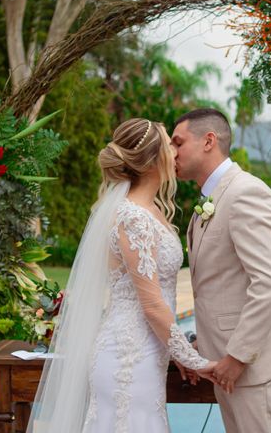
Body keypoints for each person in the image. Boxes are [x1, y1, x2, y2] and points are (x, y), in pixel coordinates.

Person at [28, 118, 216, 432]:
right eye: (170, 143)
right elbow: (153, 305)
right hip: (127, 357)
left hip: (145, 354)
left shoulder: (152, 211)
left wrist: (176, 353)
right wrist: (197, 361)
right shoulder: (134, 218)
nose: (175, 150)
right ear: (154, 158)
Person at [171, 108, 271, 433]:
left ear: (208, 141)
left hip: (256, 368)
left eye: (178, 143)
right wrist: (204, 346)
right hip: (228, 365)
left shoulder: (246, 193)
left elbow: (270, 282)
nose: (171, 152)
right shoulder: (212, 197)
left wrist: (238, 356)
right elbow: (222, 285)